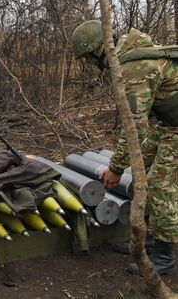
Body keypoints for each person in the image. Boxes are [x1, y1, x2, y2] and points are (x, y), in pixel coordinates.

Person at [71, 20, 178, 275]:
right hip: (169, 124)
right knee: (147, 168)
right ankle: (152, 237)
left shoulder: (134, 67)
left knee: (159, 183)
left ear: (97, 48)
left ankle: (165, 256)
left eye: (88, 57)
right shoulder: (129, 56)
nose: (89, 64)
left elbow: (134, 127)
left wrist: (116, 168)